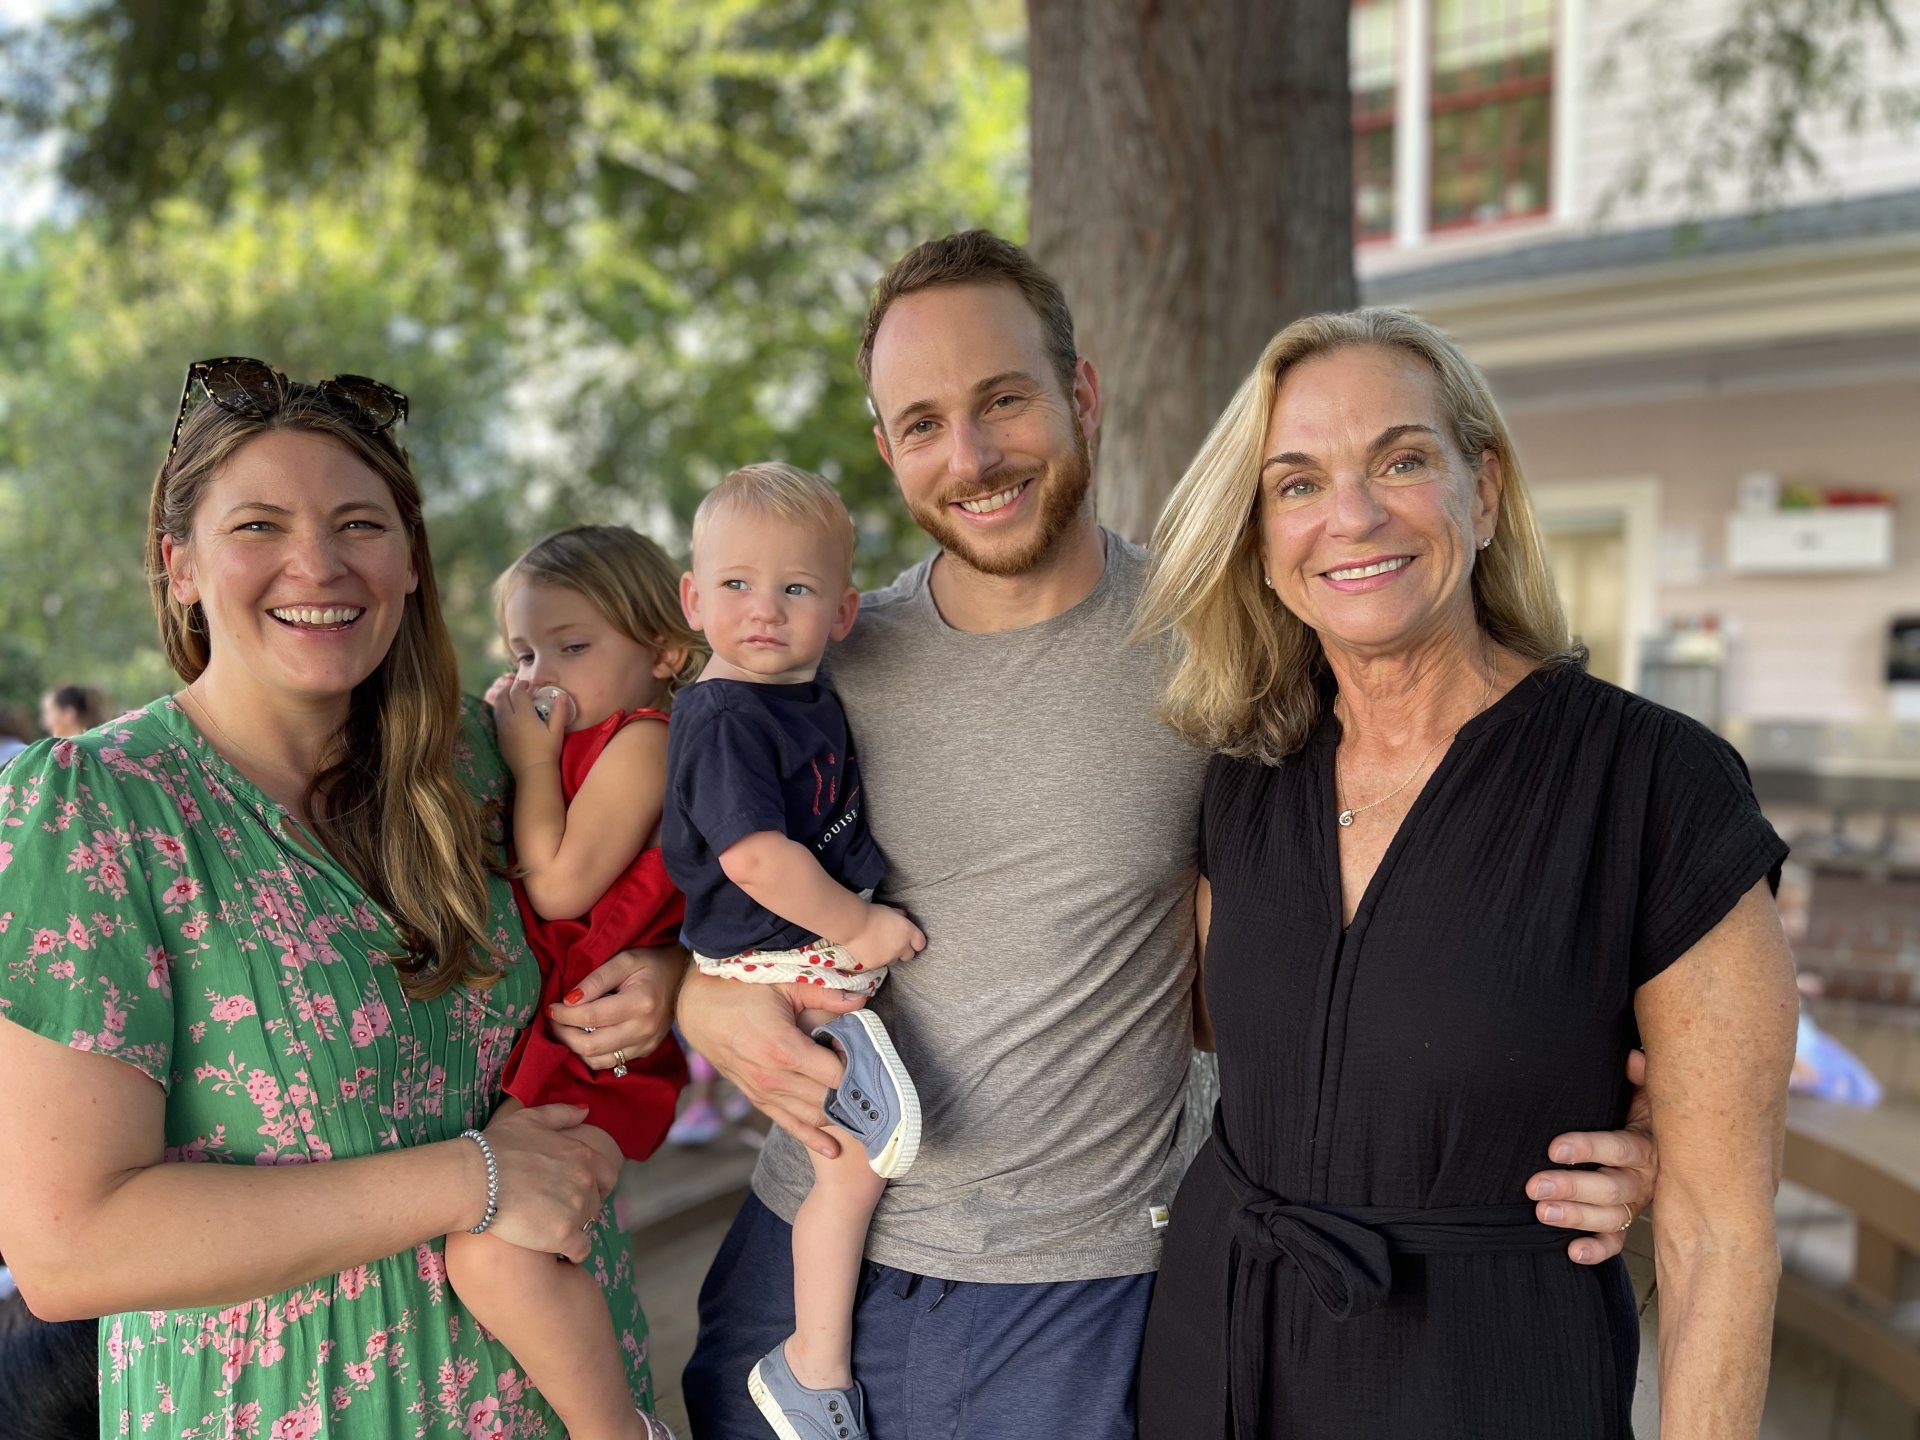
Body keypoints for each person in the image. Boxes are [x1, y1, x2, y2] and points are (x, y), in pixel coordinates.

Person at [677, 231, 1660, 1438]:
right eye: (923, 423)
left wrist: (1651, 1128)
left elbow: (1443, 867)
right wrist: (688, 990)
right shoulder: (814, 665)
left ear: (1080, 394)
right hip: (804, 1257)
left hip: (1079, 1301)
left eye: (1004, 400)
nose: (973, 456)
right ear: (887, 450)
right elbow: (683, 855)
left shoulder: (1230, 654)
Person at [1131, 308, 1797, 1437]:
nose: (1350, 516)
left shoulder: (1653, 785)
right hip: (1221, 1352)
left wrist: (1665, 1148)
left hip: (1485, 1376)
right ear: (1258, 534)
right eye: (1296, 483)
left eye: (1400, 461)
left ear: (1483, 493)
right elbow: (1229, 1027)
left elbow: (1720, 1233)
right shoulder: (1244, 777)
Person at [0, 358, 680, 1438]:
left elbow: (651, 903)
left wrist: (665, 974)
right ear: (179, 568)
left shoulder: (497, 763)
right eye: (259, 527)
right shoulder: (99, 813)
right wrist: (474, 1179)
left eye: (360, 524)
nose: (317, 564)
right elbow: (68, 1248)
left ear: (411, 563)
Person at [665, 463, 925, 1440]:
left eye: (796, 589)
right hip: (777, 954)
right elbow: (757, 858)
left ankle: (855, 1058)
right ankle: (811, 1368)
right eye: (735, 585)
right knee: (853, 1165)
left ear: (844, 611)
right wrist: (858, 928)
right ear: (693, 600)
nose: (764, 610)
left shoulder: (801, 694)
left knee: (853, 1157)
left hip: (804, 946)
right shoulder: (725, 713)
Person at [445, 525, 704, 1440]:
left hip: (600, 1050)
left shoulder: (644, 739)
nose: (542, 674)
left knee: (492, 1257)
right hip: (572, 1037)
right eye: (523, 653)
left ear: (665, 652)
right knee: (514, 1245)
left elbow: (556, 883)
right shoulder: (594, 740)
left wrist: (525, 763)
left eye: (574, 646)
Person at [39, 683, 108, 738]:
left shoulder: (73, 753)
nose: (44, 724)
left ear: (68, 714)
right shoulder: (103, 743)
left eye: (48, 714)